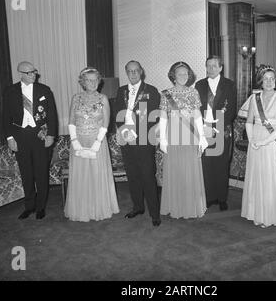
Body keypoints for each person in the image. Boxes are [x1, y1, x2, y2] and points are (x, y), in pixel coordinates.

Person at [2, 61, 58, 220]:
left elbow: (52, 115)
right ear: (21, 73)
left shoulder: (44, 90)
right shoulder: (10, 91)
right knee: (26, 173)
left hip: (40, 135)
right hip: (20, 136)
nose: (34, 75)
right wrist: (10, 138)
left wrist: (51, 135)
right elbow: (5, 117)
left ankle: (40, 207)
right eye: (29, 73)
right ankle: (29, 206)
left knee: (41, 173)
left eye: (34, 72)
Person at [241, 66, 276, 227]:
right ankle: (256, 212)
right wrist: (251, 140)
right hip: (256, 141)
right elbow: (249, 121)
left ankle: (270, 215)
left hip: (273, 143)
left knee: (271, 177)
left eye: (272, 79)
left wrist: (265, 141)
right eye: (266, 79)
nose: (269, 82)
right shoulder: (254, 98)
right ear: (261, 81)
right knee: (257, 176)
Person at [64, 67, 119, 222]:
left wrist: (97, 143)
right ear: (83, 82)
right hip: (78, 142)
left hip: (97, 142)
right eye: (89, 80)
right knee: (81, 176)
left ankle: (98, 208)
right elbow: (71, 121)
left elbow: (106, 123)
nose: (93, 82)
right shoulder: (76, 98)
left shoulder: (103, 99)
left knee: (96, 174)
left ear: (99, 81)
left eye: (95, 79)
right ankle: (82, 209)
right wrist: (75, 143)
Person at [114, 61, 161, 226]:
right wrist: (126, 132)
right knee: (132, 175)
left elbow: (154, 117)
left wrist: (137, 134)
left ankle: (155, 213)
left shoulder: (152, 91)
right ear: (126, 72)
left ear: (141, 71)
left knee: (148, 176)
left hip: (144, 140)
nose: (133, 74)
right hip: (126, 140)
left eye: (136, 71)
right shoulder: (121, 91)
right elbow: (117, 115)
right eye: (129, 71)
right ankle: (138, 207)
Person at [159, 62, 209, 219]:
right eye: (179, 74)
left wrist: (202, 138)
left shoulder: (193, 92)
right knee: (175, 172)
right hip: (173, 137)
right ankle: (175, 206)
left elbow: (198, 116)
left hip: (190, 137)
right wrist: (162, 139)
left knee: (189, 172)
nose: (183, 77)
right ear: (173, 75)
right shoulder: (166, 93)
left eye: (186, 74)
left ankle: (190, 206)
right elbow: (162, 117)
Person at [195, 56, 237, 211]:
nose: (211, 69)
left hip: (221, 128)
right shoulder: (199, 84)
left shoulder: (229, 85)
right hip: (204, 128)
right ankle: (209, 197)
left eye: (214, 66)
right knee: (206, 164)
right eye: (208, 66)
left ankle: (222, 198)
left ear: (221, 67)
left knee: (221, 164)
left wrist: (217, 127)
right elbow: (196, 108)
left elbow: (231, 109)